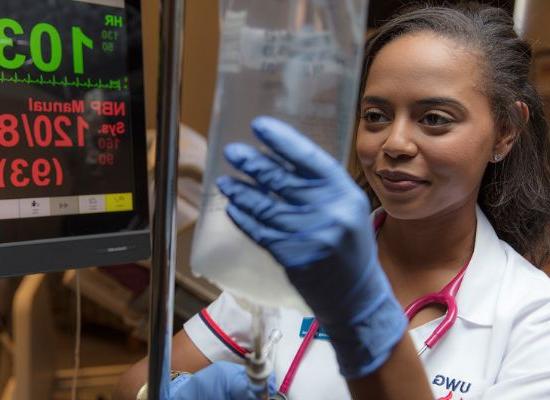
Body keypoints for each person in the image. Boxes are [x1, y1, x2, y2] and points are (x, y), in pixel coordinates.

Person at [115, 3, 550, 399]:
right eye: (375, 116)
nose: (394, 143)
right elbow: (136, 382)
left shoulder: (533, 318)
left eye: (434, 119)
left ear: (506, 130)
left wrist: (355, 302)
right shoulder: (297, 262)